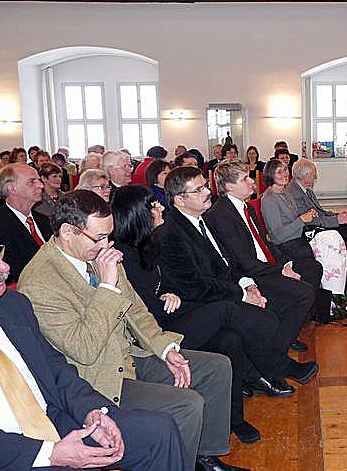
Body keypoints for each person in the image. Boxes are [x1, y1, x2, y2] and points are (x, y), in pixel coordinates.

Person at [17, 190, 246, 471]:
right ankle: (183, 463)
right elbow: (83, 350)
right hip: (95, 377)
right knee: (187, 404)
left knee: (216, 368)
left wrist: (165, 348)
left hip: (127, 354)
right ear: (67, 232)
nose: (106, 244)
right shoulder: (39, 283)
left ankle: (203, 456)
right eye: (99, 237)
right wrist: (107, 286)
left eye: (109, 235)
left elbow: (136, 310)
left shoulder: (95, 252)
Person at [0, 225, 187, 471]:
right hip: (6, 452)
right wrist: (51, 454)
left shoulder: (12, 305)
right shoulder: (40, 281)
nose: (4, 268)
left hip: (55, 417)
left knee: (159, 431)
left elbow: (56, 370)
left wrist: (91, 411)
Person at [113, 185, 290, 445]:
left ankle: (234, 419)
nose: (160, 207)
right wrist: (164, 298)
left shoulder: (148, 242)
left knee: (230, 340)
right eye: (153, 205)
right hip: (157, 333)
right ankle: (271, 349)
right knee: (229, 311)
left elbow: (167, 283)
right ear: (137, 214)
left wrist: (168, 293)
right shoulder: (124, 255)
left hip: (171, 313)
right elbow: (141, 309)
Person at [158, 166, 318, 382]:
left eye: (205, 186)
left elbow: (229, 262)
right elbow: (195, 286)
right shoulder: (172, 234)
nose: (208, 192)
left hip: (228, 286)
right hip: (201, 303)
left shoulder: (201, 219)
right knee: (267, 318)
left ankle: (269, 369)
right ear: (179, 200)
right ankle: (274, 369)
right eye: (199, 190)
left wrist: (249, 286)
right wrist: (243, 294)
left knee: (283, 302)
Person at [204, 160, 324, 354]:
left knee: (313, 268)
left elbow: (265, 243)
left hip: (266, 263)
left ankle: (289, 328)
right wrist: (281, 270)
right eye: (245, 178)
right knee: (305, 293)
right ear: (229, 186)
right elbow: (244, 262)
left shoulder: (246, 207)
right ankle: (278, 348)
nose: (252, 181)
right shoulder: (221, 214)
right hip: (253, 272)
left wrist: (286, 263)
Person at [261, 159, 347, 294]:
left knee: (343, 246)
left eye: (285, 170)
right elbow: (277, 236)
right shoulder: (269, 199)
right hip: (287, 245)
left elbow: (297, 218)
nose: (285, 174)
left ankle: (346, 293)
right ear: (270, 176)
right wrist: (302, 220)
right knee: (329, 256)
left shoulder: (285, 193)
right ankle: (331, 296)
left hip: (300, 238)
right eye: (279, 172)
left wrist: (309, 215)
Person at [0, 164, 52, 285]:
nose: (41, 185)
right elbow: (11, 274)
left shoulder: (43, 220)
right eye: (32, 182)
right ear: (12, 189)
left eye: (39, 180)